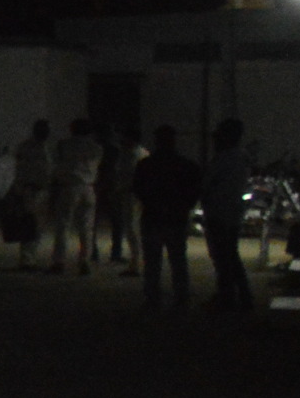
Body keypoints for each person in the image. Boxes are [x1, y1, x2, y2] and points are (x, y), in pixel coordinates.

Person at [134, 124, 202, 311]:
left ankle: (153, 298)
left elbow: (138, 188)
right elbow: (194, 191)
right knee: (177, 259)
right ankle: (181, 297)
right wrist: (184, 207)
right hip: (176, 217)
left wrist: (152, 203)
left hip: (153, 216)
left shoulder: (146, 165)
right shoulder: (186, 165)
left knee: (152, 261)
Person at [199, 117, 254, 313]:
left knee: (223, 258)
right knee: (230, 256)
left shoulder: (225, 158)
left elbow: (207, 183)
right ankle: (241, 296)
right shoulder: (241, 156)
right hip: (232, 214)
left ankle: (228, 298)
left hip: (220, 214)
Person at [50, 117, 104, 275]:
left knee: (63, 225)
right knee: (86, 227)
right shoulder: (96, 147)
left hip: (69, 186)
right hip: (88, 187)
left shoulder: (64, 145)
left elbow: (56, 166)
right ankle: (84, 261)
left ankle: (59, 261)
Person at [7, 120, 54, 270]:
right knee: (30, 224)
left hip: (38, 189)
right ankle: (27, 259)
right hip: (31, 189)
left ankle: (29, 258)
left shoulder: (29, 147)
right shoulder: (37, 148)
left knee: (36, 225)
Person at [98, 123, 145, 269]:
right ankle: (135, 258)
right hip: (125, 193)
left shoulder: (138, 154)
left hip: (133, 193)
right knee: (130, 227)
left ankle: (136, 259)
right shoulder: (127, 153)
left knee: (132, 227)